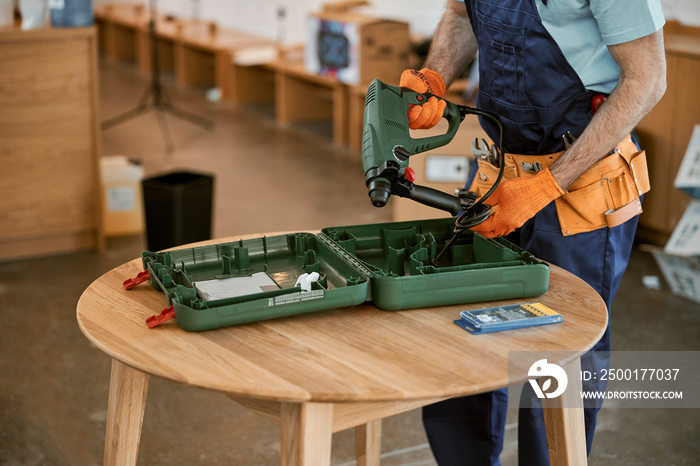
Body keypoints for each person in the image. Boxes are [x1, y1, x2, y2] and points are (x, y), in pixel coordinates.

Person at [399, 1, 667, 465]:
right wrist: (435, 76)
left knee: (558, 361)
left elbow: (647, 81)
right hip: (499, 173)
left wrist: (550, 183)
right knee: (459, 330)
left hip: (581, 186)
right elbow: (462, 15)